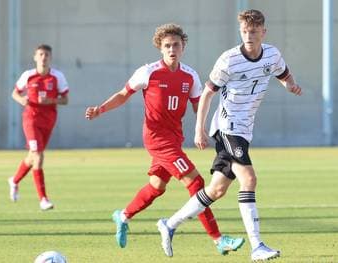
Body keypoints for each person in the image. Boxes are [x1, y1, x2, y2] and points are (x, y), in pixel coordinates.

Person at [85, 23, 244, 256]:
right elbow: (123, 95)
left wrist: (209, 128)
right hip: (156, 139)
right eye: (167, 45)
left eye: (176, 45)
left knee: (157, 186)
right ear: (160, 48)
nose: (172, 49)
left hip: (174, 139)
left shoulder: (190, 76)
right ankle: (218, 239)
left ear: (183, 47)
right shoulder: (148, 72)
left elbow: (199, 106)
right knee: (197, 184)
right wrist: (100, 109)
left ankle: (124, 215)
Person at [156, 10, 302, 261]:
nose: (249, 36)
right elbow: (207, 94)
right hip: (227, 127)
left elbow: (284, 75)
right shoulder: (229, 60)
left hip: (245, 130)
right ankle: (257, 246)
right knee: (249, 178)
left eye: (254, 31)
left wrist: (290, 85)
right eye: (245, 31)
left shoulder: (272, 54)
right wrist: (199, 128)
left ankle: (170, 224)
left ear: (263, 33)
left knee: (216, 190)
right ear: (240, 31)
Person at [7, 44, 69, 210]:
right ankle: (43, 199)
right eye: (40, 54)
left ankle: (14, 180)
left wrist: (51, 100)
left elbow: (65, 99)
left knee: (32, 157)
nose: (43, 57)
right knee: (38, 156)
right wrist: (22, 100)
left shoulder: (57, 77)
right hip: (31, 119)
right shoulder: (28, 76)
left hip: (48, 120)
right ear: (35, 57)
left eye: (46, 54)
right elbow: (15, 93)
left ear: (50, 57)